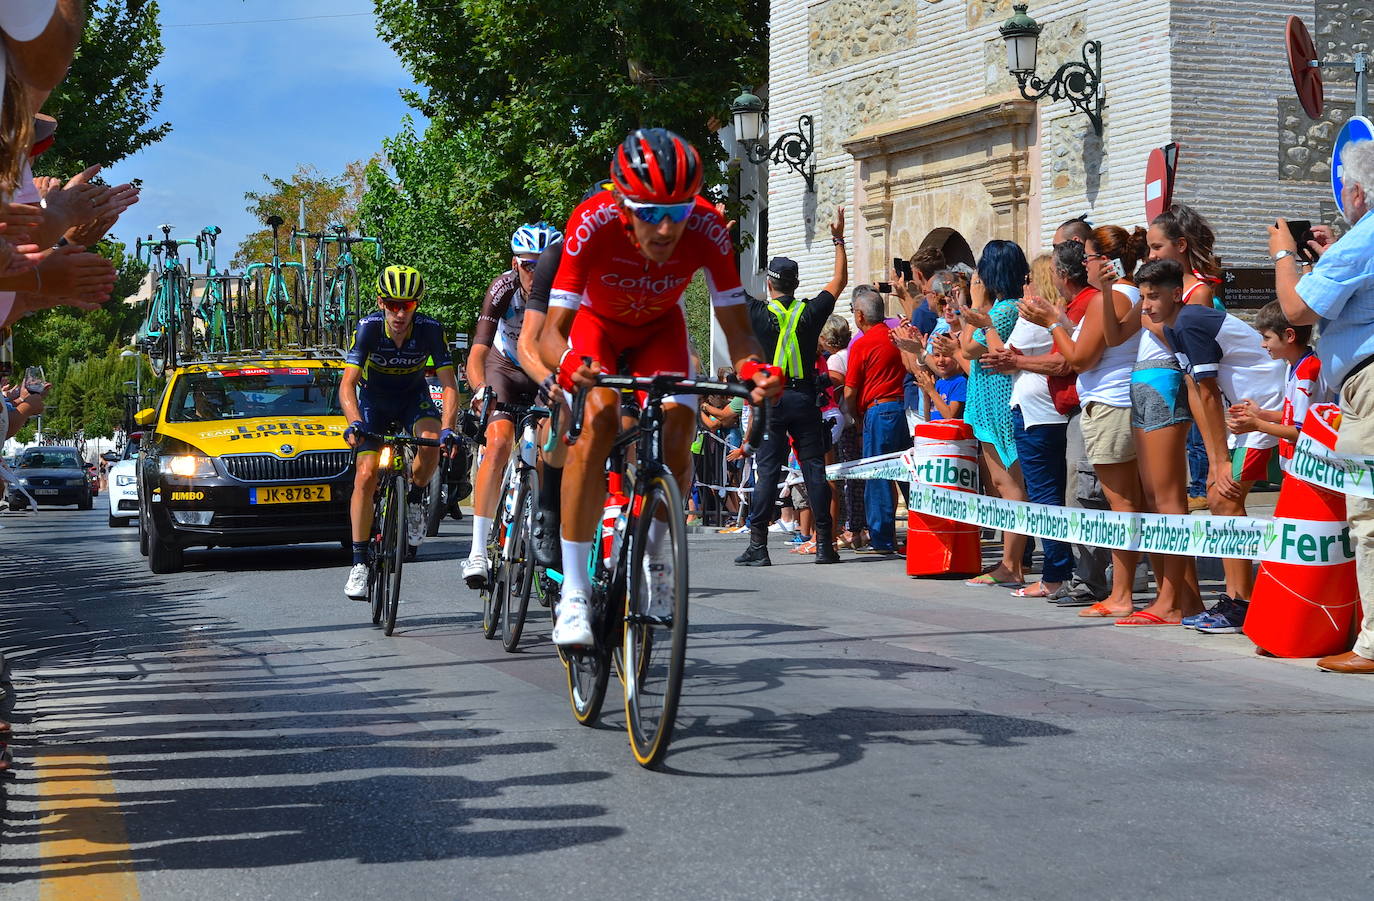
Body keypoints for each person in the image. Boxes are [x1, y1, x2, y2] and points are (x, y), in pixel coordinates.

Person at [538, 128, 781, 647]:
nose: (667, 227)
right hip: (595, 328)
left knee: (679, 422)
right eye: (650, 212)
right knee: (599, 418)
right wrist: (567, 362)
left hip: (659, 331)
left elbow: (739, 333)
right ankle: (575, 592)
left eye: (679, 210)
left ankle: (656, 554)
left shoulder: (709, 229)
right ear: (622, 206)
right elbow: (549, 333)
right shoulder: (591, 221)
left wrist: (755, 371)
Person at [1272, 138, 1374, 672]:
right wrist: (1333, 253)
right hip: (1362, 383)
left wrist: (1284, 256)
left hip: (1370, 386)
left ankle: (1373, 645)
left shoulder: (1370, 233)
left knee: (1370, 515)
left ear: (1356, 191)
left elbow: (1297, 307)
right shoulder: (1362, 240)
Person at [1152, 259, 1285, 627]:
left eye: (1153, 297)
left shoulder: (1192, 320)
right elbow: (1196, 391)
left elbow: (1208, 392)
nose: (1145, 306)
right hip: (1241, 414)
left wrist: (1219, 460)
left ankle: (1243, 603)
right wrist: (1216, 457)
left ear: (1175, 294)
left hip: (1266, 405)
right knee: (1218, 496)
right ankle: (1239, 599)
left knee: (1224, 497)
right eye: (1143, 297)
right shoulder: (1175, 326)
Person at [1019, 231, 1145, 618]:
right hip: (1112, 404)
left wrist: (1051, 324)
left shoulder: (1116, 296)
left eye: (1088, 257)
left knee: (1118, 504)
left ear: (1104, 261)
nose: (1084, 264)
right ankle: (1122, 589)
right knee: (1122, 502)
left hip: (1111, 404)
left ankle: (1120, 592)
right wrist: (1060, 319)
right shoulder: (1122, 296)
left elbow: (1079, 358)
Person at [339, 266, 460, 600]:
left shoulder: (431, 330)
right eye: (392, 304)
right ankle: (360, 562)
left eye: (406, 305)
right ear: (381, 302)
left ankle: (417, 497)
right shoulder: (368, 329)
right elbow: (347, 385)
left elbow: (450, 386)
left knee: (432, 442)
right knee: (365, 475)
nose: (399, 312)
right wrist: (354, 422)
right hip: (374, 403)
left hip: (412, 398)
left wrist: (449, 427)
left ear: (416, 305)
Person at [734, 211, 847, 567]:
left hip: (772, 400)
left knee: (768, 470)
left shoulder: (757, 312)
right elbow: (839, 281)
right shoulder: (810, 312)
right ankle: (825, 544)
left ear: (770, 283)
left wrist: (722, 243)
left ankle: (758, 546)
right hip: (804, 398)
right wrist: (838, 239)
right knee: (814, 468)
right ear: (796, 284)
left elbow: (724, 286)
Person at [461, 222, 562, 588]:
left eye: (544, 264)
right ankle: (476, 551)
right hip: (504, 368)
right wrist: (478, 389)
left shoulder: (565, 291)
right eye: (528, 265)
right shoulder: (502, 288)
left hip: (544, 371)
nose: (536, 273)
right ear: (514, 264)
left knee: (552, 448)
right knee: (500, 442)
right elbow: (478, 351)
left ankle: (549, 533)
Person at [940, 240, 1029, 587]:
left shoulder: (1006, 310)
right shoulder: (999, 309)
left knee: (1010, 484)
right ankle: (1009, 560)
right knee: (1000, 484)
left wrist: (975, 306)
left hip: (1000, 406)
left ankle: (1012, 564)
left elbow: (971, 346)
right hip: (987, 403)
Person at [843, 285, 910, 554]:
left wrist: (854, 415)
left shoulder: (862, 343)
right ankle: (920, 529)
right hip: (900, 409)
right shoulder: (895, 337)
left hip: (877, 411)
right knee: (906, 472)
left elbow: (850, 390)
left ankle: (882, 539)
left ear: (860, 315)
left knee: (879, 475)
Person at [1226, 301, 1321, 473]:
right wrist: (1263, 414)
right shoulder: (1293, 366)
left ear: (1289, 336)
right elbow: (1296, 418)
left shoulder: (1307, 373)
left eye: (1266, 337)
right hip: (1295, 466)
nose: (1263, 344)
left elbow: (1303, 432)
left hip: (1306, 469)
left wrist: (1257, 424)